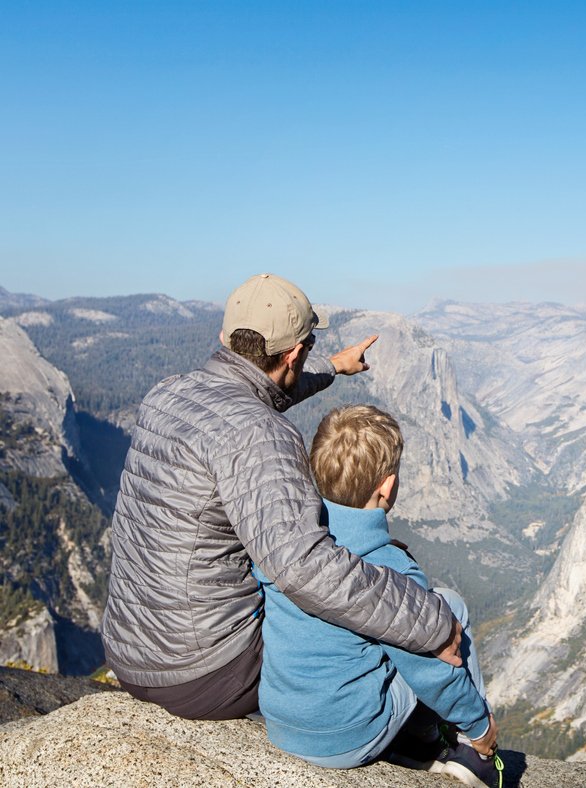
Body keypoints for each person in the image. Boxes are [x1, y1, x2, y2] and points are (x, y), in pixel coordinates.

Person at [102, 273, 462, 722]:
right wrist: (431, 622)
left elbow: (257, 394)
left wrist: (332, 366)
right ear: (293, 353)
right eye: (306, 349)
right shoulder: (262, 433)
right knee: (347, 621)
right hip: (206, 674)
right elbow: (307, 569)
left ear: (228, 337)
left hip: (130, 652)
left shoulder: (168, 393)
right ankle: (416, 738)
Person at [254, 404, 502, 787]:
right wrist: (479, 723)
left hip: (281, 719)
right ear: (386, 486)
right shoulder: (392, 571)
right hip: (346, 737)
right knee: (446, 608)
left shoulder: (290, 544)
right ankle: (463, 752)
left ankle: (417, 739)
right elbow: (429, 668)